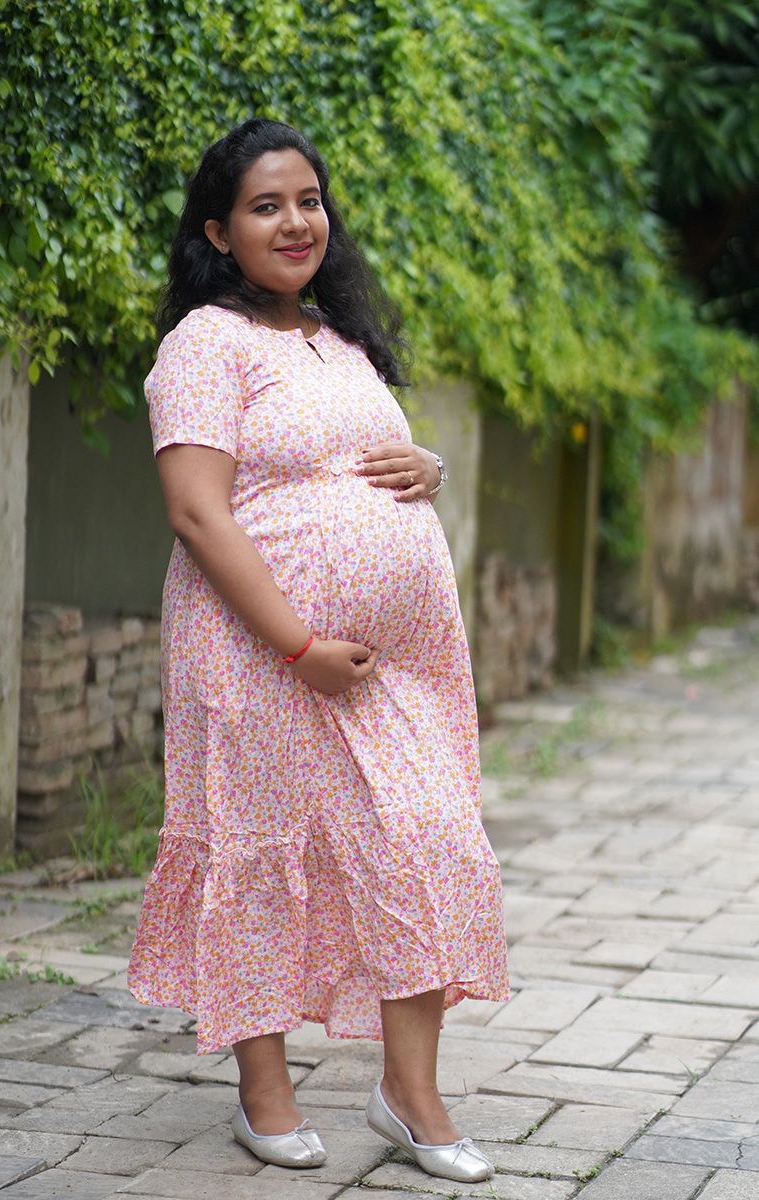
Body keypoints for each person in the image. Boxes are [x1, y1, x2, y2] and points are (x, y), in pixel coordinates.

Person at [128, 117, 509, 1184]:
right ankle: (265, 1093)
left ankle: (408, 1090)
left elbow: (354, 464)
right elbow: (199, 515)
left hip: (386, 672)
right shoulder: (207, 342)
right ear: (218, 230)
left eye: (308, 200)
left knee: (433, 838)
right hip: (260, 656)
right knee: (258, 855)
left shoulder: (337, 339)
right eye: (265, 205)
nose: (296, 221)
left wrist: (423, 466)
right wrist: (299, 646)